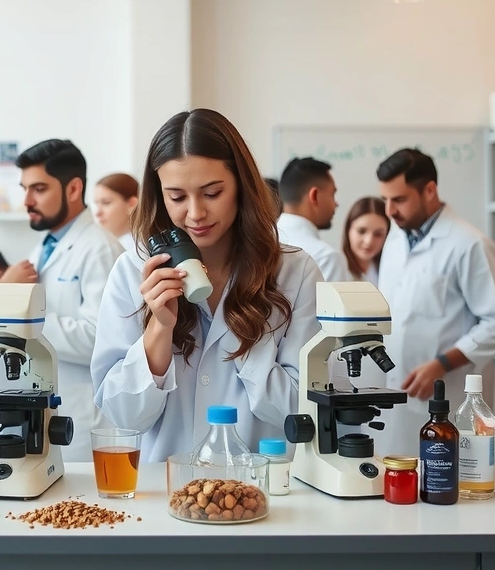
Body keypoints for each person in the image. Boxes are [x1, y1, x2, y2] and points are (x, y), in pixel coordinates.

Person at [91, 109, 323, 461]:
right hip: (166, 491)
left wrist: (245, 325)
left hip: (262, 489)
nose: (196, 213)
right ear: (159, 195)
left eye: (212, 193)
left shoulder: (295, 271)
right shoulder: (132, 270)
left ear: (241, 187)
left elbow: (301, 412)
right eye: (177, 197)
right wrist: (159, 329)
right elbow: (125, 418)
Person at [374, 148, 495, 456]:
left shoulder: (469, 244)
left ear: (429, 190)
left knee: (448, 484)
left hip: (449, 399)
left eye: (398, 199)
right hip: (396, 394)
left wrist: (442, 364)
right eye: (385, 199)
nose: (389, 211)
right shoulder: (396, 238)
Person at [0, 139, 123, 462]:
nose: (26, 200)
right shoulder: (46, 246)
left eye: (38, 189)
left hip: (82, 413)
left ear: (74, 188)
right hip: (47, 402)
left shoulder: (99, 249)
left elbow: (99, 338)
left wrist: (19, 315)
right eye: (24, 188)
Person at [277, 157, 352, 282]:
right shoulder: (327, 258)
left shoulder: (259, 242)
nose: (336, 203)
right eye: (332, 194)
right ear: (315, 196)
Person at [341, 196, 389, 287]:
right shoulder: (337, 271)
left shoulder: (389, 271)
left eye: (378, 234)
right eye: (361, 231)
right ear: (348, 230)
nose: (368, 241)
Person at [92, 172, 140, 251]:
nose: (97, 213)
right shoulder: (101, 245)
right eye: (96, 203)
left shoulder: (138, 251)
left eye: (106, 202)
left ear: (132, 204)